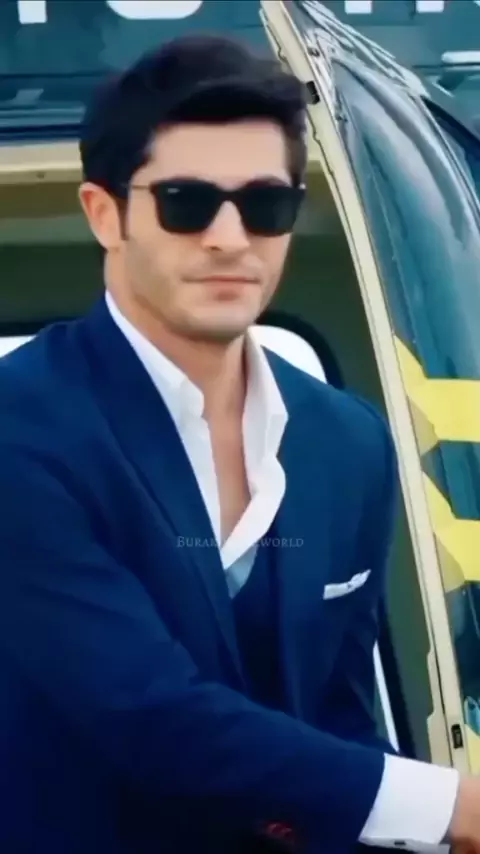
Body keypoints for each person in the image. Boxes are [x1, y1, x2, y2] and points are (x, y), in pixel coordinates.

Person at [0, 32, 479, 854]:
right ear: (105, 214)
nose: (230, 237)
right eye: (187, 201)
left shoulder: (347, 441)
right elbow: (148, 716)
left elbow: (336, 719)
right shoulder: (20, 426)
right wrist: (450, 808)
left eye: (266, 204)